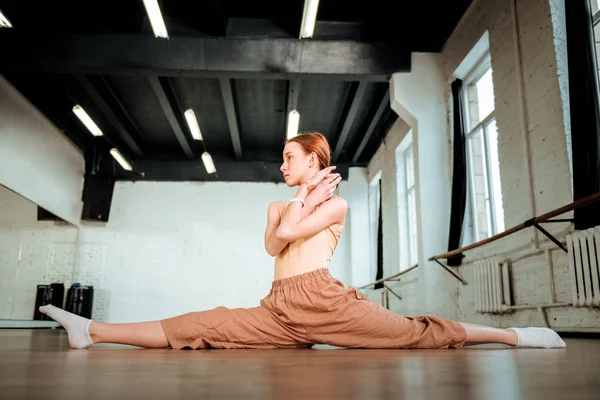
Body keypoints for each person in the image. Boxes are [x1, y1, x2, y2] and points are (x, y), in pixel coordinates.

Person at [39, 132, 566, 350]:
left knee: (412, 333)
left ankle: (517, 337)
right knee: (204, 323)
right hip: (281, 308)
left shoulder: (336, 203)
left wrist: (312, 199)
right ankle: (91, 330)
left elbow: (291, 235)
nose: (283, 165)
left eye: (292, 159)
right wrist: (301, 197)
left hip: (323, 298)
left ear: (314, 160)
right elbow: (274, 246)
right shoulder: (279, 203)